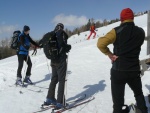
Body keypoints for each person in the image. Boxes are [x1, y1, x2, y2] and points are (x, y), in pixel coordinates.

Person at [97, 8, 148, 113]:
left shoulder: (116, 31)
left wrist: (110, 55)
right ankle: (143, 110)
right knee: (138, 93)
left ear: (121, 19)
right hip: (134, 69)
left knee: (118, 102)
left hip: (119, 70)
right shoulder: (141, 32)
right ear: (132, 18)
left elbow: (100, 44)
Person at [41, 23, 71, 109]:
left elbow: (41, 43)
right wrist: (68, 47)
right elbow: (62, 44)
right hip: (60, 60)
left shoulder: (51, 34)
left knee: (54, 79)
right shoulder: (60, 33)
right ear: (61, 27)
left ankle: (50, 98)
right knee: (61, 80)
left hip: (53, 60)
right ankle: (60, 102)